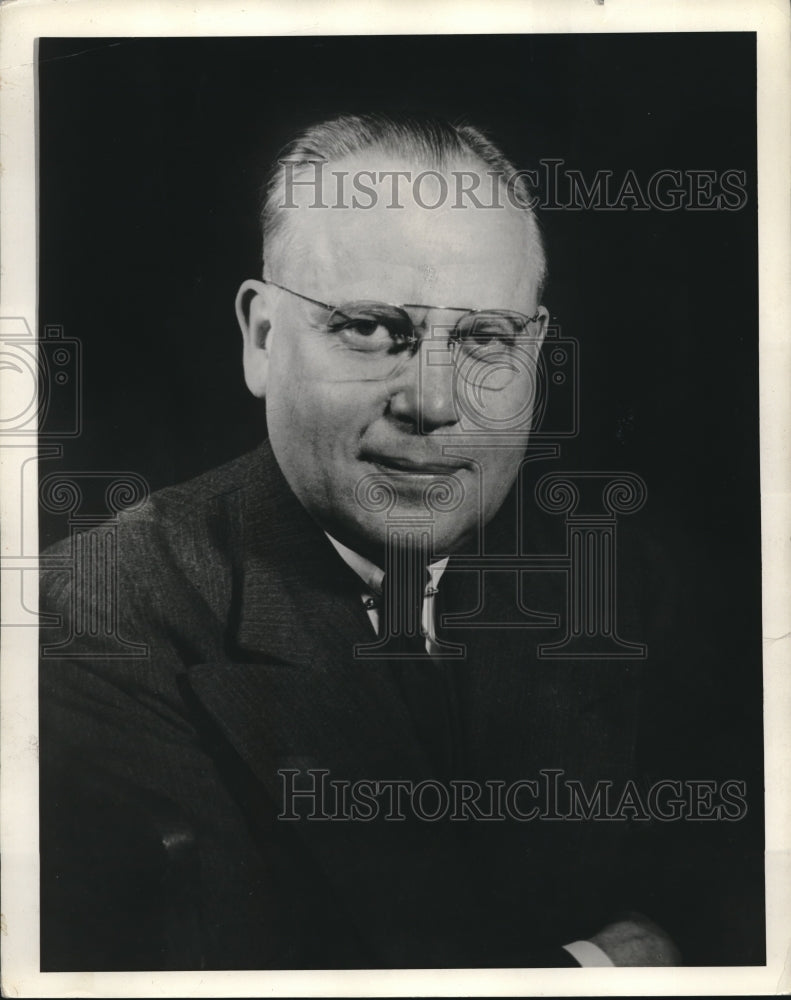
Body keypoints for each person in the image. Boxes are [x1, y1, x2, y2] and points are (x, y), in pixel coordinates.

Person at [40, 113, 687, 970]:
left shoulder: (614, 578)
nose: (434, 402)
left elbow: (729, 887)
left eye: (484, 337)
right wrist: (597, 970)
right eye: (371, 329)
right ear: (262, 338)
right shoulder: (86, 618)